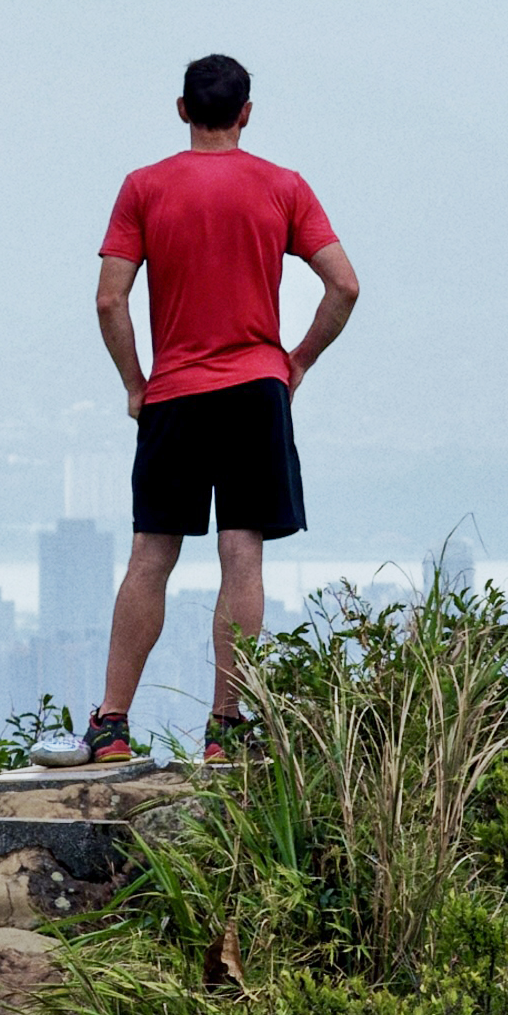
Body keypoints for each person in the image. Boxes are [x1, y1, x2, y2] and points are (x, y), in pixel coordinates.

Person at [80, 51, 362, 761]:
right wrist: (295, 360)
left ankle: (112, 725)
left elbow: (110, 297)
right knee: (242, 555)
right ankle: (224, 727)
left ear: (182, 110)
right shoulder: (282, 187)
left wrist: (135, 383)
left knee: (152, 556)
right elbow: (345, 287)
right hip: (254, 391)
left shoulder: (144, 187)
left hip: (174, 393)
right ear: (246, 113)